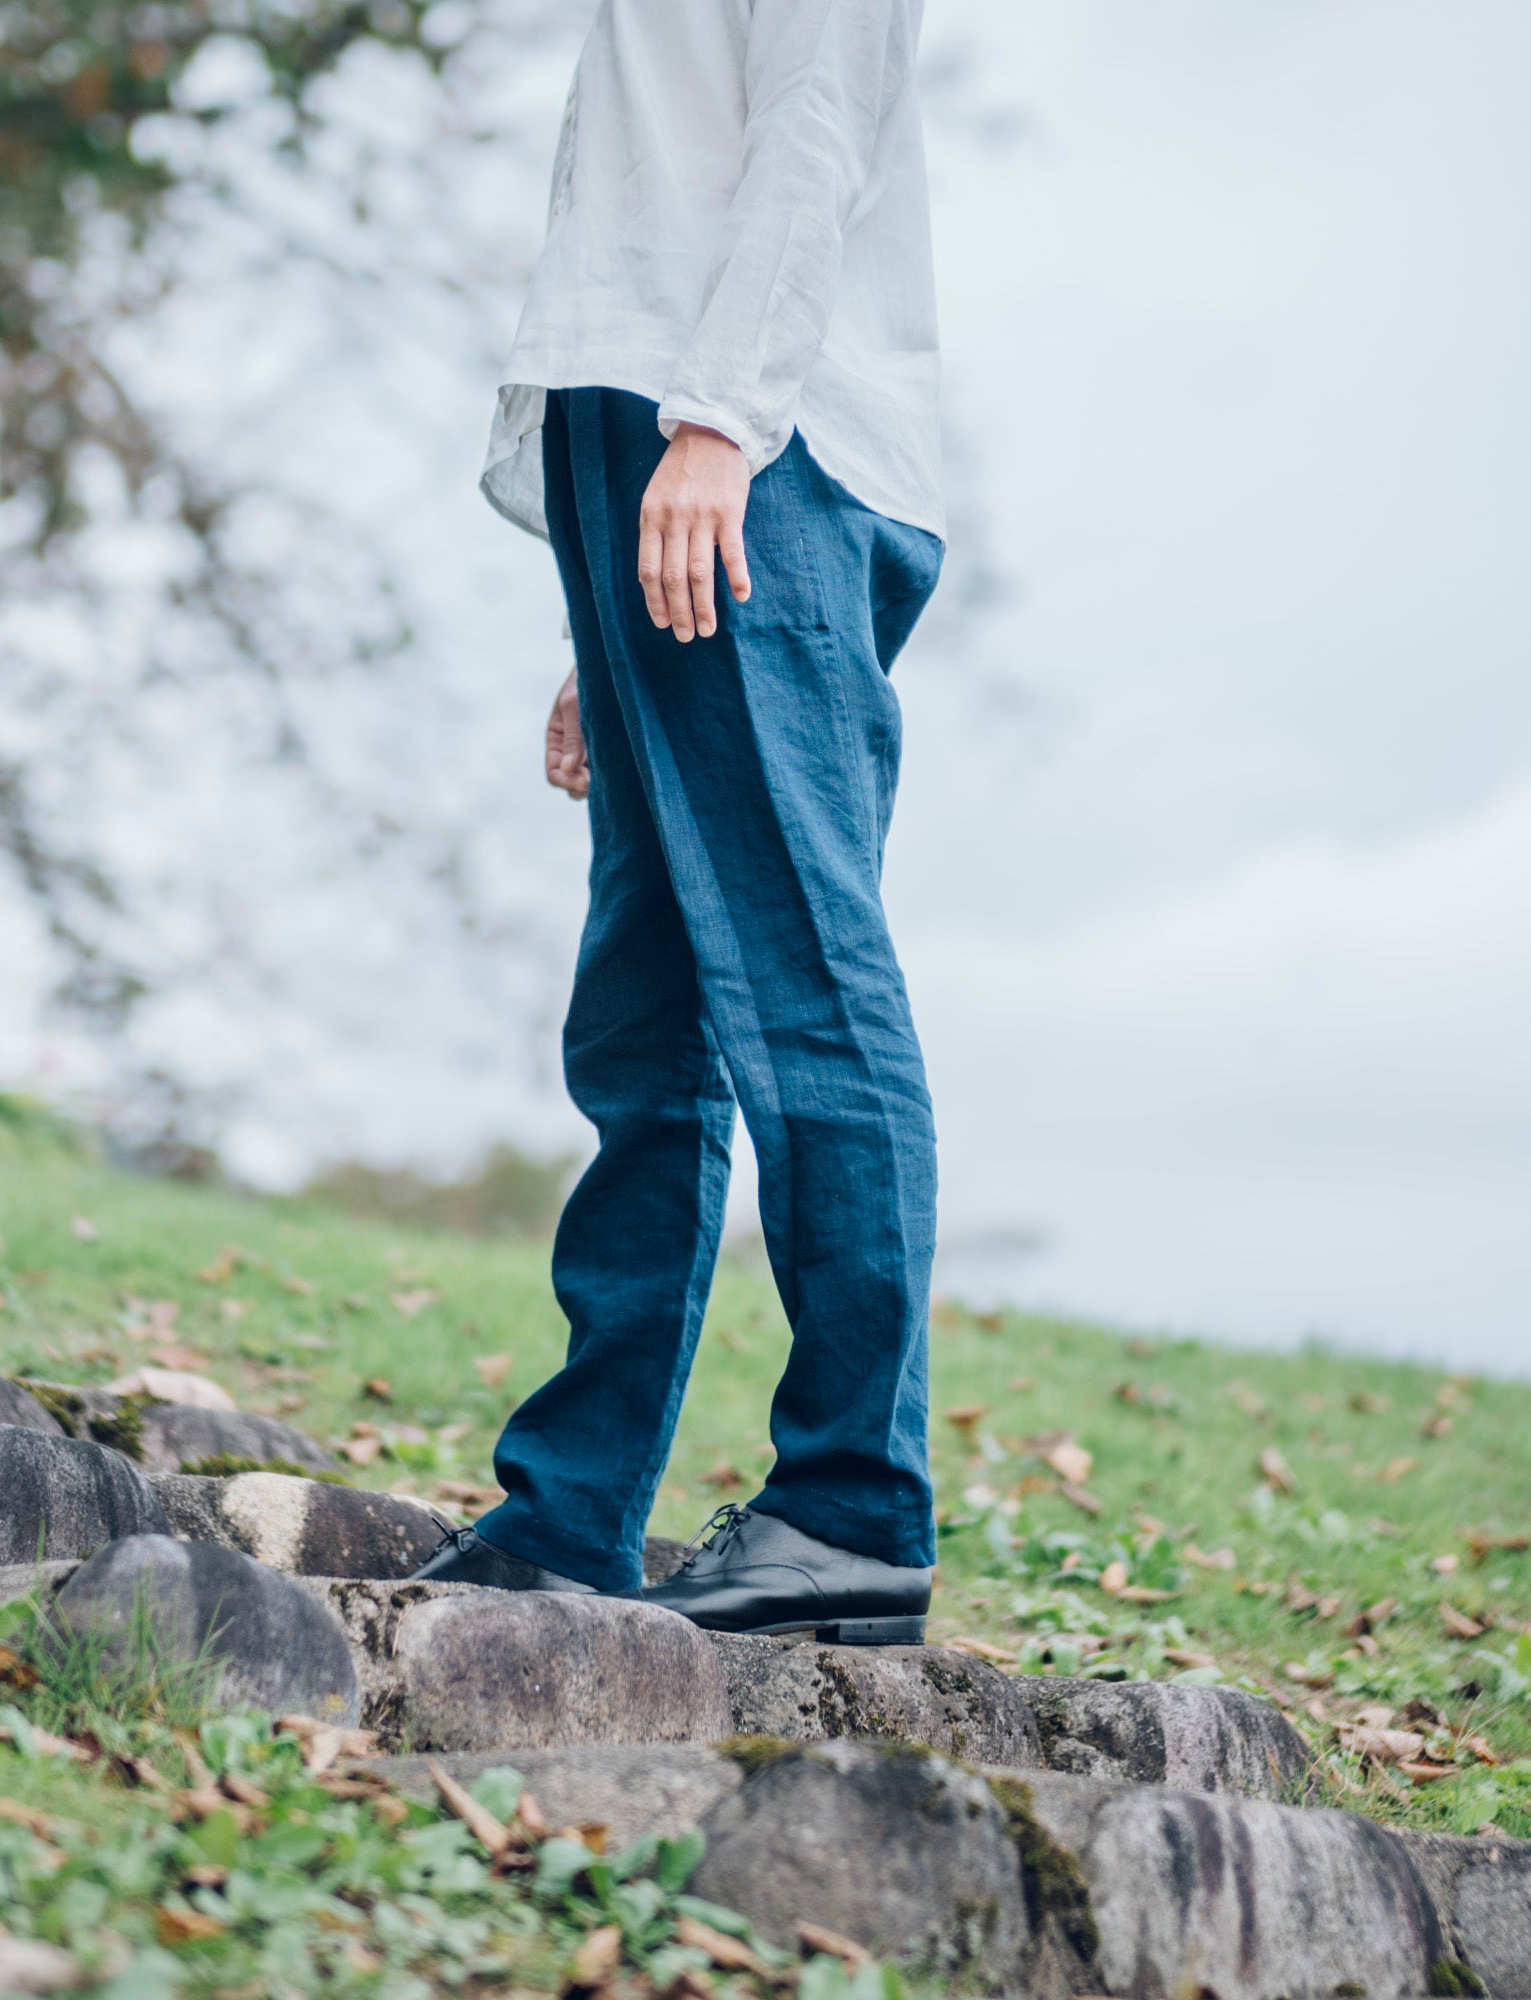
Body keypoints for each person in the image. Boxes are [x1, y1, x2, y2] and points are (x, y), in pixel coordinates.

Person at [409, 0, 947, 1644]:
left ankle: (854, 1509)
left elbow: (810, 137)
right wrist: (600, 630)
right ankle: (572, 1511)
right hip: (647, 455)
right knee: (643, 1028)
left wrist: (719, 425)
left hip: (753, 456)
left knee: (804, 985)